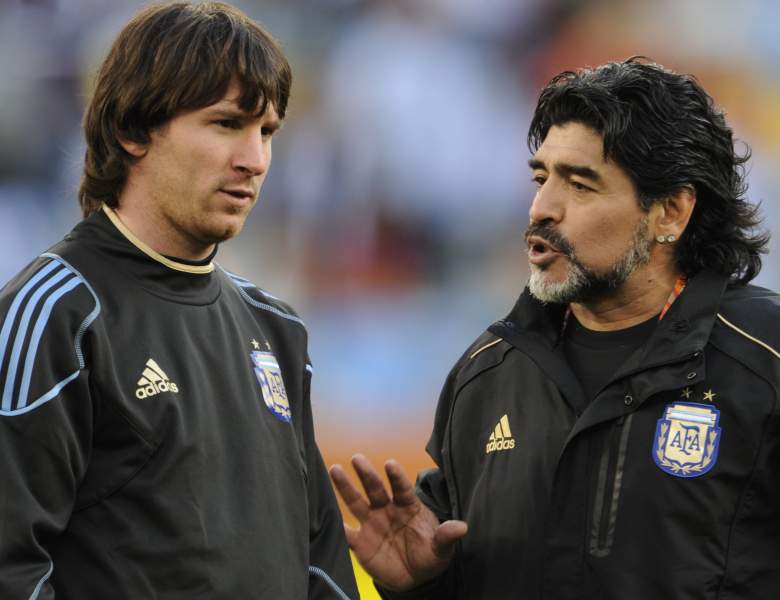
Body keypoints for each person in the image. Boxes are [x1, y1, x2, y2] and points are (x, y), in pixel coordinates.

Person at [330, 57, 780, 599]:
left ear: (670, 213)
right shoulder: (487, 373)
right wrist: (419, 585)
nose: (542, 209)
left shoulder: (765, 360)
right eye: (541, 179)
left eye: (581, 185)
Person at [0, 3, 358, 599]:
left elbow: (318, 559)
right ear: (133, 131)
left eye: (267, 131)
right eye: (226, 124)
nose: (255, 159)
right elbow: (10, 566)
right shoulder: (55, 313)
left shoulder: (277, 328)